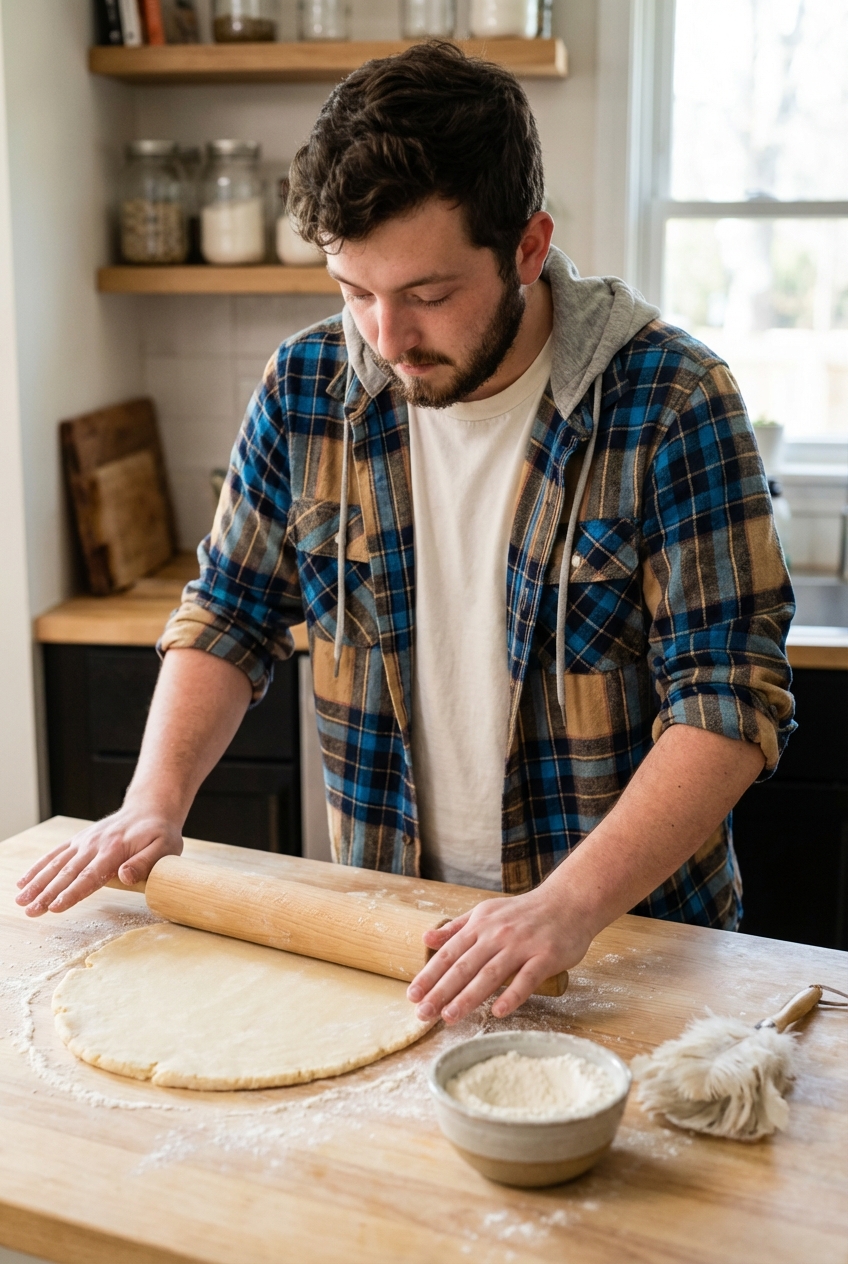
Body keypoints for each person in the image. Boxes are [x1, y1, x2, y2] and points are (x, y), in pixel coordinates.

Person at [17, 42, 795, 1028]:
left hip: (625, 944)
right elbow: (228, 615)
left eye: (426, 295)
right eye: (353, 291)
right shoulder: (305, 389)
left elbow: (726, 703)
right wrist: (150, 801)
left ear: (524, 246)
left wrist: (563, 907)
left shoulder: (671, 400)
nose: (384, 337)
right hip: (395, 937)